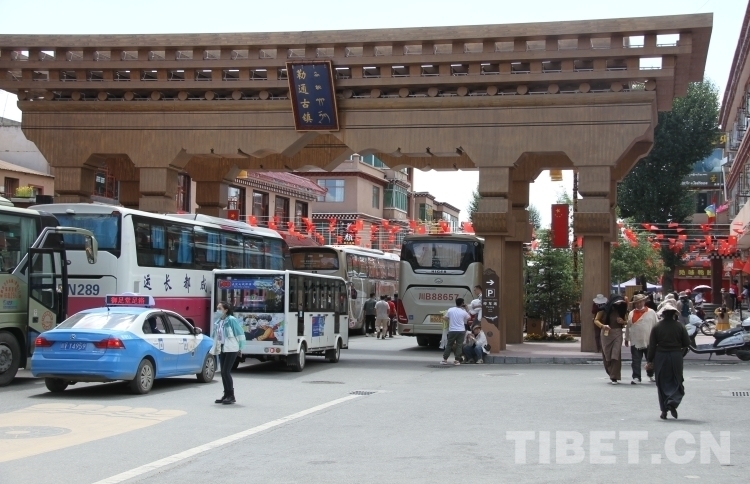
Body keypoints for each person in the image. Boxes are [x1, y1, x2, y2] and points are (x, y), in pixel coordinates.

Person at [646, 300, 691, 419]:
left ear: (663, 314)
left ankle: (664, 410)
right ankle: (672, 402)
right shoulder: (680, 326)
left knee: (661, 383)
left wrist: (649, 360)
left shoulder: (657, 327)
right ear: (674, 314)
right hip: (676, 356)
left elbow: (652, 346)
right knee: (677, 380)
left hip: (660, 357)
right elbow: (687, 343)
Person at [211, 301, 245, 405]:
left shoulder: (231, 320)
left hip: (232, 348)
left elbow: (239, 333)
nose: (217, 310)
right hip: (223, 347)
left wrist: (240, 348)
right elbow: (216, 335)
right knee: (223, 372)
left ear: (226, 310)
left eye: (220, 308)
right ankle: (226, 395)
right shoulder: (219, 321)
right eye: (217, 308)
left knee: (226, 371)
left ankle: (231, 395)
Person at [594, 295, 628, 384]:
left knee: (615, 354)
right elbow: (596, 320)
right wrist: (603, 326)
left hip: (617, 333)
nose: (618, 305)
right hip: (606, 333)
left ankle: (614, 376)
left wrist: (623, 322)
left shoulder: (621, 310)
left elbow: (626, 321)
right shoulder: (603, 309)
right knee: (607, 354)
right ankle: (611, 372)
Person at [625, 293, 657, 384]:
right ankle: (636, 377)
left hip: (648, 340)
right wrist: (626, 338)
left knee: (650, 359)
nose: (639, 304)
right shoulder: (631, 313)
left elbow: (656, 325)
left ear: (644, 302)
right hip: (635, 340)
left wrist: (657, 339)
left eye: (640, 302)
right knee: (636, 360)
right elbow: (628, 327)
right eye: (637, 303)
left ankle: (651, 374)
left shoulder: (651, 312)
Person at [441, 298, 470, 365]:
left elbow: (445, 317)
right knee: (459, 345)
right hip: (461, 330)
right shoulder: (463, 311)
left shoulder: (450, 310)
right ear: (462, 303)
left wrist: (446, 318)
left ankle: (445, 360)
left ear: (456, 302)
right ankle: (457, 360)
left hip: (452, 330)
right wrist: (466, 309)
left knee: (449, 345)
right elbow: (469, 318)